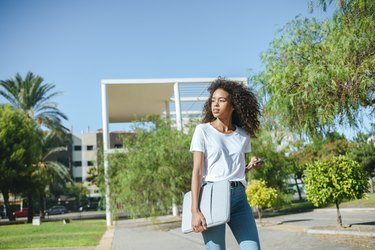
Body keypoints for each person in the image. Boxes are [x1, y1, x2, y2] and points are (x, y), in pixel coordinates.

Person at [190, 78, 263, 250]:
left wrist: (250, 167)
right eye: (213, 100)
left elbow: (229, 169)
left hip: (239, 198)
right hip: (212, 195)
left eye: (221, 100)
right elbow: (198, 171)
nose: (215, 105)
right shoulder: (203, 131)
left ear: (233, 105)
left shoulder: (243, 135)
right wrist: (195, 211)